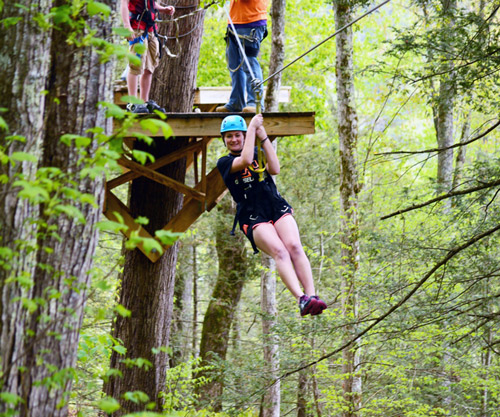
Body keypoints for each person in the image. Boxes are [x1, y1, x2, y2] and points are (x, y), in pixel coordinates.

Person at [217, 115, 328, 316]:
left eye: (238, 135)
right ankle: (301, 299)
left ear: (243, 137)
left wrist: (263, 136)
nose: (234, 139)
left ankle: (312, 296)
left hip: (274, 205)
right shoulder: (225, 162)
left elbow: (274, 169)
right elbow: (245, 160)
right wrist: (251, 128)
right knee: (280, 251)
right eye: (229, 136)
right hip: (252, 215)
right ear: (224, 140)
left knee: (294, 246)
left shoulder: (258, 153)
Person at [120, 0, 175, 114]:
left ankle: (144, 101)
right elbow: (124, 4)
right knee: (136, 64)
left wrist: (163, 9)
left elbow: (150, 4)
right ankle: (132, 103)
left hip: (151, 29)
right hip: (137, 26)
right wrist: (127, 26)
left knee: (150, 67)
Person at [216, 0, 268, 113]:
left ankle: (255, 102)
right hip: (234, 22)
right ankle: (236, 102)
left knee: (249, 63)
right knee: (234, 65)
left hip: (252, 21)